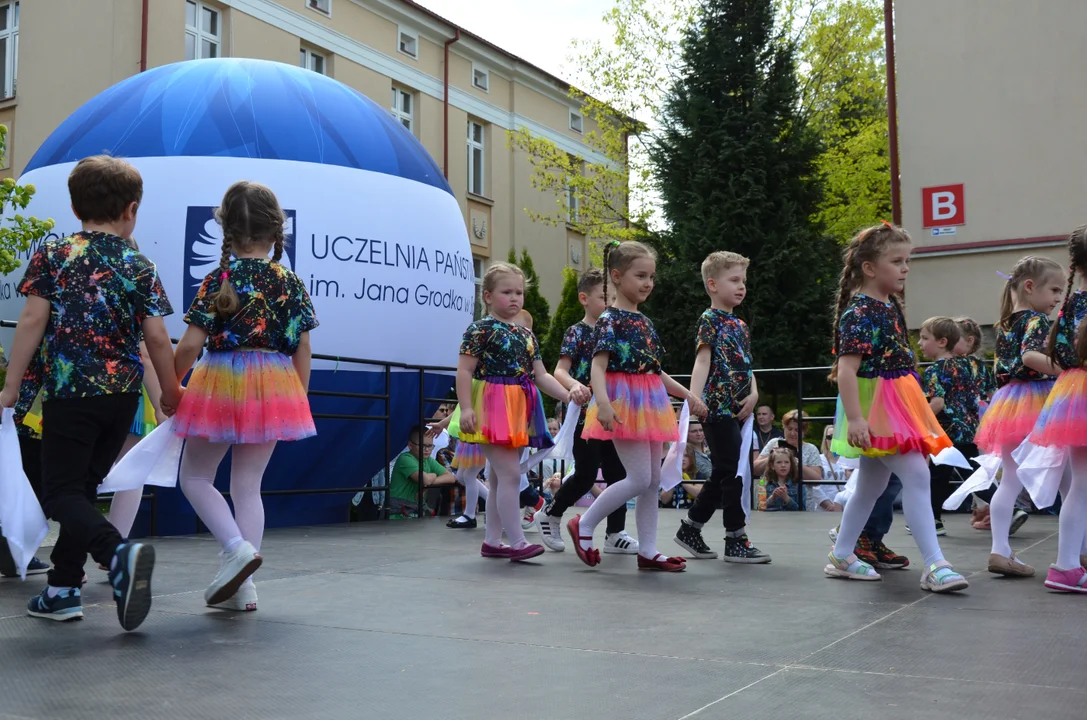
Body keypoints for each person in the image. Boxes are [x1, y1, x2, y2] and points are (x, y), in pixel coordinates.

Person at [0, 155, 180, 629]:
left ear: (75, 204)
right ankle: (61, 589)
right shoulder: (139, 263)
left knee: (61, 494)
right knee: (80, 490)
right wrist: (171, 391)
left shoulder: (54, 255)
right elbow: (158, 338)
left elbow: (33, 320)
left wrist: (12, 384)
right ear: (131, 210)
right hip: (120, 398)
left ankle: (116, 553)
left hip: (68, 393)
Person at [173, 181, 318, 612]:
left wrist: (173, 385)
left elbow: (187, 346)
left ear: (228, 234)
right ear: (277, 235)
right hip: (273, 383)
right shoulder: (289, 281)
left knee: (195, 478)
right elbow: (302, 347)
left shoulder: (219, 279)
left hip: (218, 381)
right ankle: (244, 587)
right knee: (248, 487)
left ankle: (235, 549)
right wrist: (298, 397)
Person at [822, 223, 967, 592]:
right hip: (876, 406)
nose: (906, 268)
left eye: (908, 260)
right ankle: (935, 564)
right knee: (917, 474)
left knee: (871, 485)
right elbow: (847, 371)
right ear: (870, 268)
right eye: (897, 261)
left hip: (898, 401)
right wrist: (855, 417)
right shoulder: (858, 312)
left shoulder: (889, 306)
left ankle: (841, 554)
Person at [568, 241, 706, 571]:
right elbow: (597, 367)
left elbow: (654, 371)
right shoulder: (609, 319)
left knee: (653, 479)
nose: (648, 283)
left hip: (650, 400)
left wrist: (688, 396)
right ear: (616, 276)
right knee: (640, 477)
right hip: (623, 402)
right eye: (640, 275)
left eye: (652, 277)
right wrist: (602, 403)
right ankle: (584, 524)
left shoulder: (644, 322)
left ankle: (648, 549)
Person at [454, 262, 579, 562]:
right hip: (492, 406)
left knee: (499, 478)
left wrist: (570, 394)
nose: (514, 298)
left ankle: (493, 541)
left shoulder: (526, 335)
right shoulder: (479, 329)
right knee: (510, 475)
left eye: (519, 292)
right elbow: (464, 370)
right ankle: (518, 541)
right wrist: (467, 407)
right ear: (487, 296)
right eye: (506, 292)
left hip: (517, 406)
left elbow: (542, 375)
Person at [672, 251, 768, 563]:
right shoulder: (709, 320)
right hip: (716, 406)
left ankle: (695, 528)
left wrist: (754, 394)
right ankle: (732, 537)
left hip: (740, 407)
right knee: (731, 470)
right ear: (712, 284)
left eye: (743, 280)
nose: (742, 286)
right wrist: (693, 400)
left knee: (730, 470)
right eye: (734, 280)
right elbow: (703, 359)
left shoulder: (740, 324)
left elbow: (746, 364)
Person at [535, 268, 637, 555]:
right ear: (584, 298)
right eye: (605, 297)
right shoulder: (577, 332)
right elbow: (560, 370)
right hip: (585, 415)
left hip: (614, 414)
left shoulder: (618, 330)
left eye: (614, 297)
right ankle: (552, 513)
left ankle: (616, 533)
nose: (610, 302)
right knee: (586, 473)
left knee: (620, 474)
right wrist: (574, 387)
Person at [974, 256, 1064, 578]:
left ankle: (1000, 550)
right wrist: (1067, 371)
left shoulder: (1005, 324)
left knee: (1010, 480)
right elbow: (1030, 356)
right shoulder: (1037, 320)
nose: (1057, 298)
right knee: (1069, 480)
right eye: (1054, 290)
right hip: (1040, 403)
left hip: (1008, 404)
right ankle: (1075, 551)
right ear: (1030, 286)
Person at [1030, 228, 1087, 592]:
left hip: (1073, 391)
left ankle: (1069, 562)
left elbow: (1061, 355)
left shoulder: (1071, 303)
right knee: (1081, 486)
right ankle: (1066, 565)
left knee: (1080, 485)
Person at [919, 316, 981, 533]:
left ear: (942, 342)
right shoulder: (969, 366)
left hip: (945, 432)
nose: (919, 343)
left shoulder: (934, 370)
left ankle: (932, 520)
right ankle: (1008, 510)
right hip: (968, 428)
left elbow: (937, 402)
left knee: (938, 477)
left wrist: (917, 419)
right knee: (975, 471)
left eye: (924, 338)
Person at [389, 425, 457, 516]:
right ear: (410, 445)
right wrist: (432, 477)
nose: (427, 450)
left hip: (414, 511)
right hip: (398, 513)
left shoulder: (428, 460)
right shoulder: (405, 459)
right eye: (423, 446)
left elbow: (451, 477)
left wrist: (429, 483)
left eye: (430, 446)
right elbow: (425, 479)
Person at [752, 410, 823, 482]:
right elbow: (754, 469)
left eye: (797, 430)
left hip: (802, 492)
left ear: (804, 432)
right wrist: (771, 457)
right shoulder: (774, 443)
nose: (792, 433)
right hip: (774, 491)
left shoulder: (811, 449)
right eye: (789, 429)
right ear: (784, 428)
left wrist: (795, 462)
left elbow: (816, 480)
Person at [812, 426, 845, 512]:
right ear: (825, 440)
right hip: (824, 510)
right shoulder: (818, 459)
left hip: (845, 508)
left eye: (836, 437)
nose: (833, 440)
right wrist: (829, 505)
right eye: (829, 437)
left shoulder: (848, 460)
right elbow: (815, 487)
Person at [763, 447, 800, 511]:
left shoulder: (798, 485)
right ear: (772, 466)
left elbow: (802, 510)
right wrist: (772, 497)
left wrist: (787, 498)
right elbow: (760, 508)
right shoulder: (766, 484)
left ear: (791, 465)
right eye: (779, 462)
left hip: (792, 520)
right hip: (771, 520)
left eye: (786, 462)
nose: (783, 465)